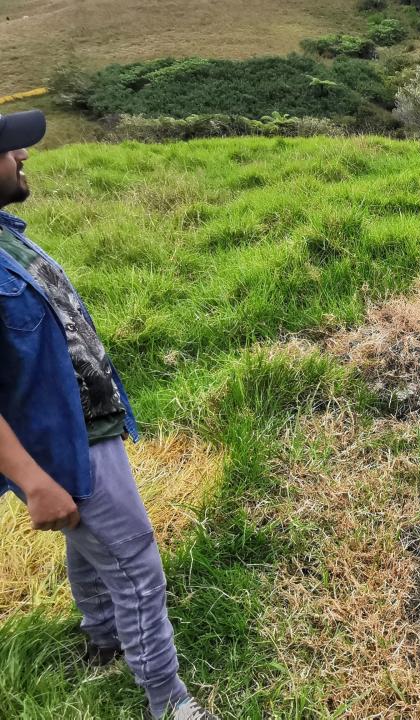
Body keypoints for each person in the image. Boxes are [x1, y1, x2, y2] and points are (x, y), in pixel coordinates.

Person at [0, 110, 217, 720]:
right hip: (62, 443)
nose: (24, 157)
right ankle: (168, 702)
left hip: (85, 424)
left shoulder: (5, 233)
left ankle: (103, 639)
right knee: (136, 562)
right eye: (11, 149)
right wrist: (36, 481)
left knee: (93, 543)